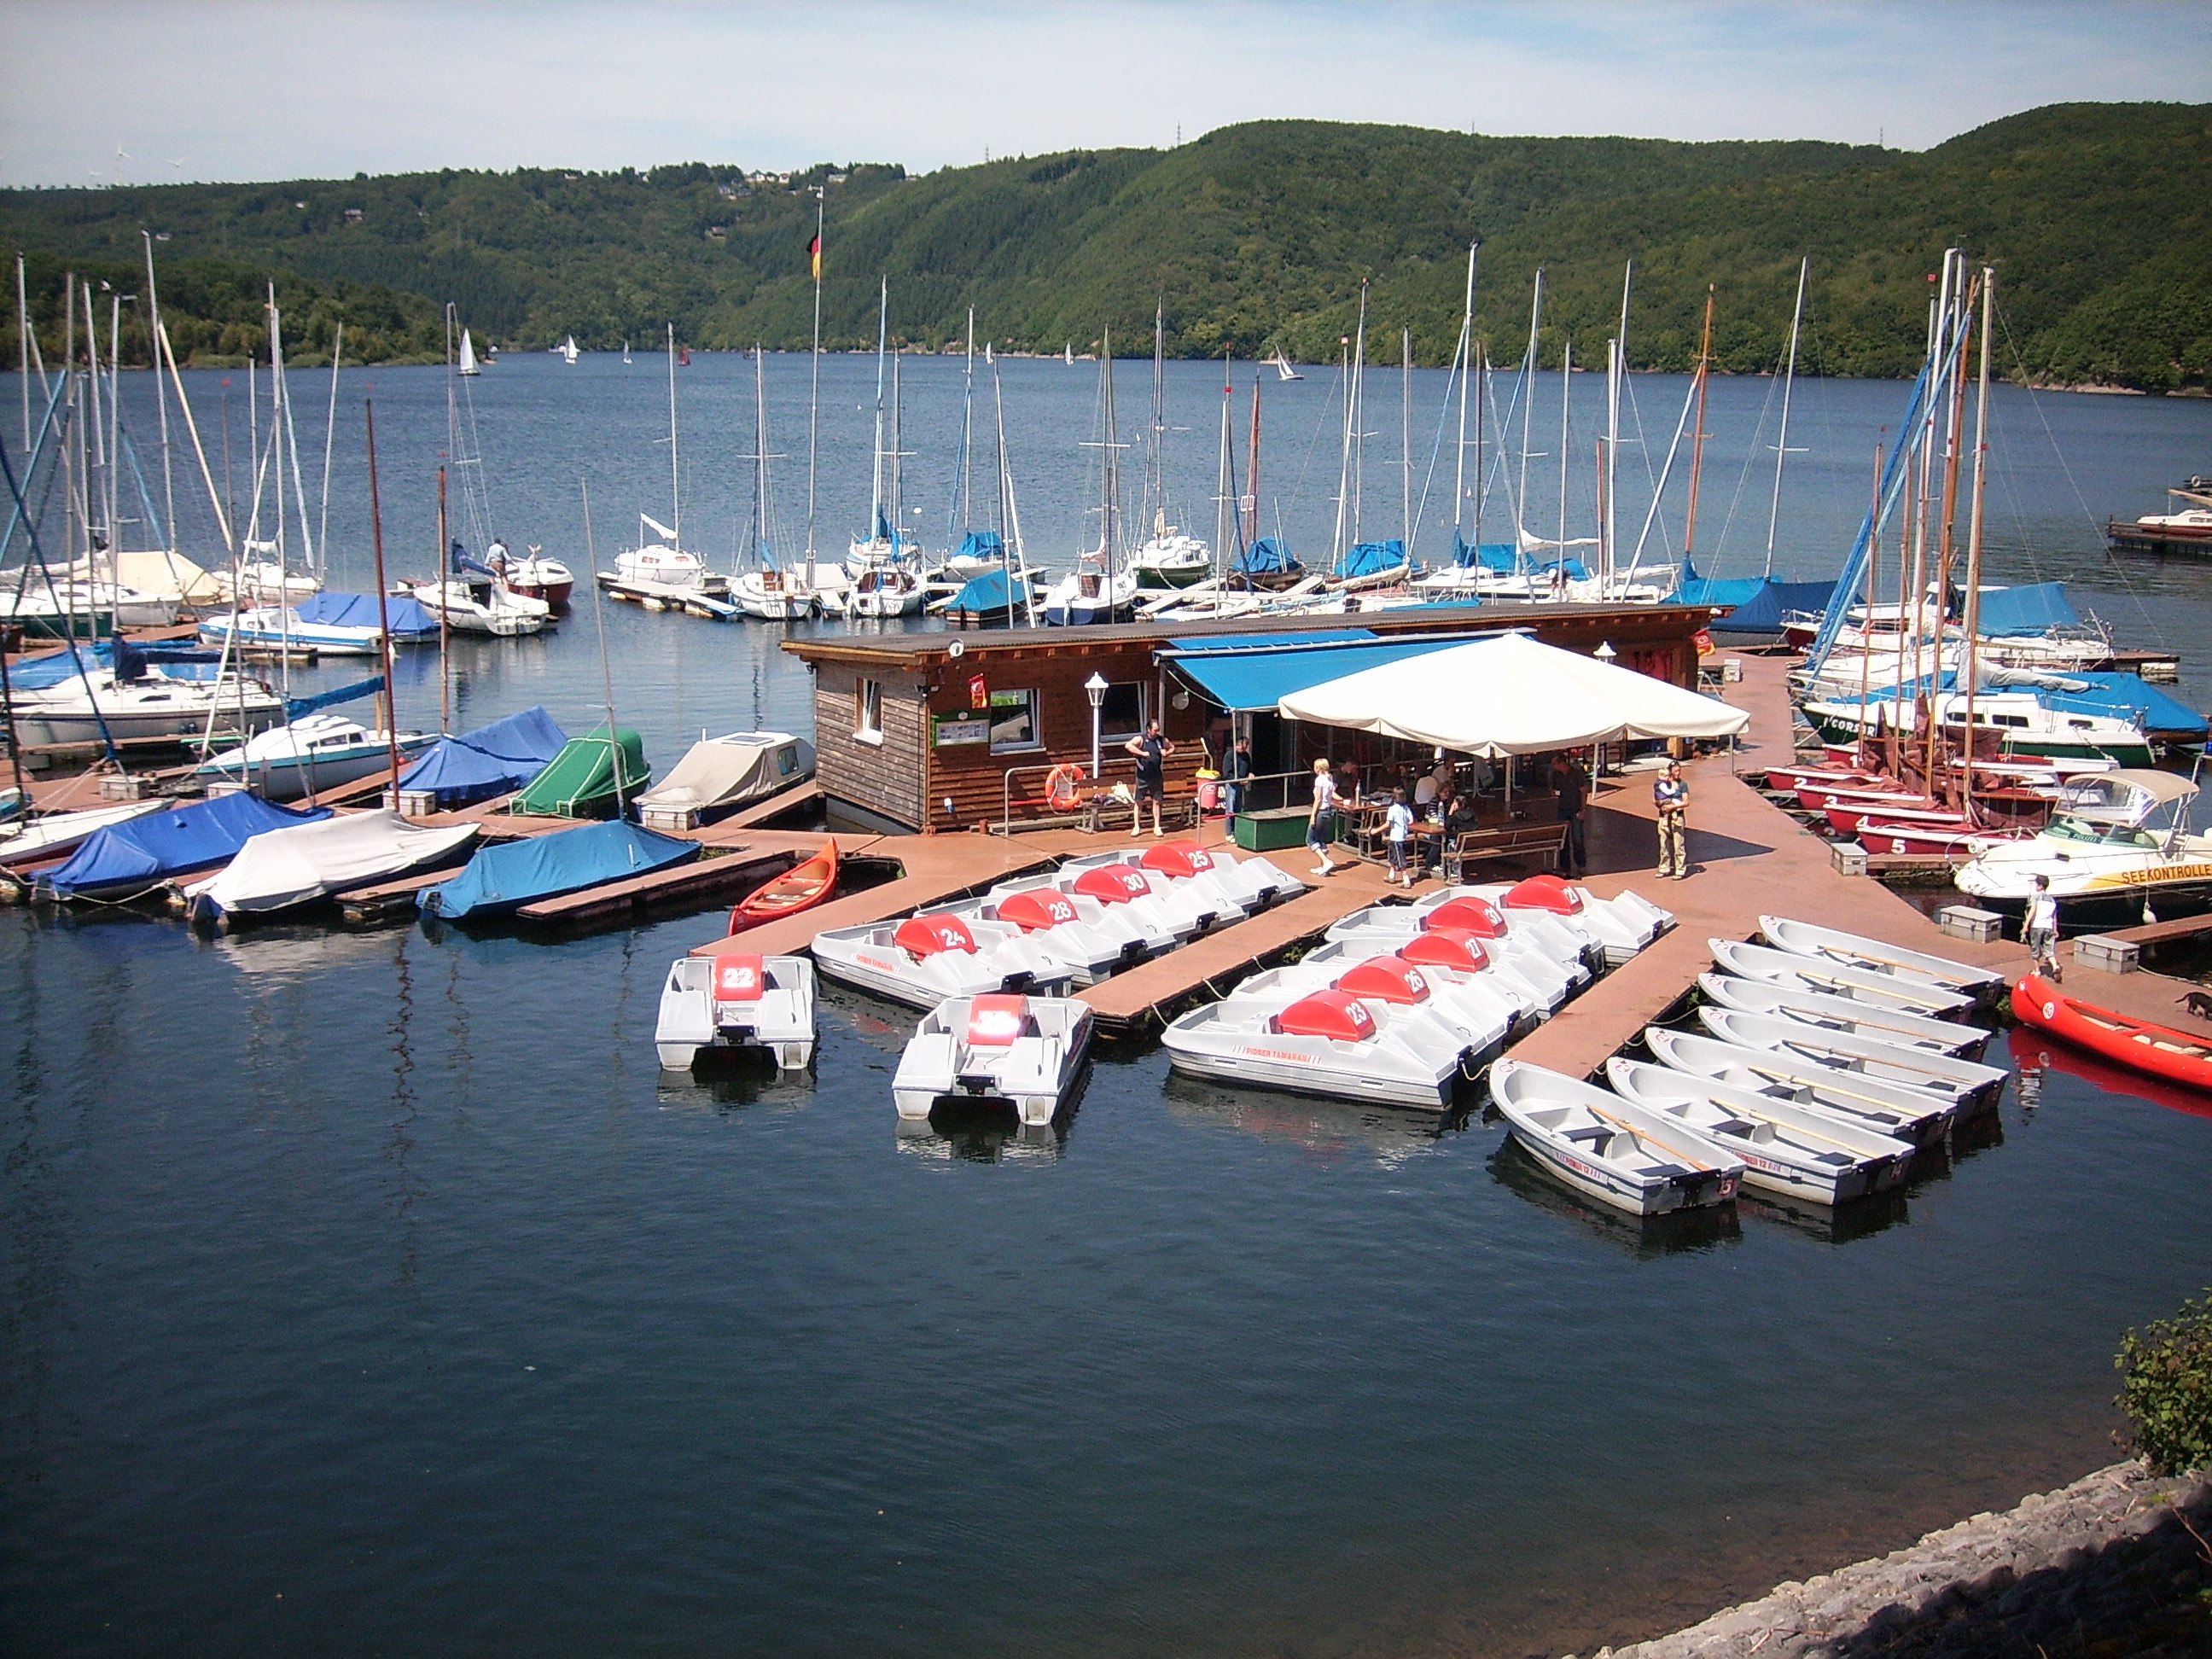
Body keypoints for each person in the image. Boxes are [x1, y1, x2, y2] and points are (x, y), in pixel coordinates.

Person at [1124, 719, 1175, 837]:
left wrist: (1167, 753)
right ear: (1148, 730)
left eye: (1158, 730)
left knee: (1157, 801)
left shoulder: (1161, 740)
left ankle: (1157, 826)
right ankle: (1137, 826)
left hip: (1156, 775)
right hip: (1143, 776)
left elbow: (1172, 747)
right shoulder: (1141, 739)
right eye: (1155, 730)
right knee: (1139, 801)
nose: (1157, 732)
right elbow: (1128, 745)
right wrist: (1142, 753)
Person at [1551, 753, 1588, 877]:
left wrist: (1583, 809)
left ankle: (1581, 864)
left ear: (1562, 763)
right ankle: (1565, 865)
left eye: (1555, 763)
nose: (1554, 766)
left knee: (1577, 838)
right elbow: (1552, 789)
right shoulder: (1556, 775)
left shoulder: (1576, 773)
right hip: (1563, 809)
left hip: (1576, 809)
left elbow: (1584, 791)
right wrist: (1555, 793)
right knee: (1563, 839)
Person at [1654, 759, 1689, 879]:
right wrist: (1661, 805)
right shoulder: (1662, 783)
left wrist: (1673, 806)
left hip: (1677, 816)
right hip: (1663, 817)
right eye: (1675, 771)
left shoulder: (1682, 784)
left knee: (1679, 844)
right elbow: (1655, 799)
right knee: (1664, 844)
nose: (1677, 773)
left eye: (1679, 771)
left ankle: (1680, 869)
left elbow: (1686, 802)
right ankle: (1664, 868)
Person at [2025, 874, 2062, 983]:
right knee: (2049, 950)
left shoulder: (2036, 896)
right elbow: (2054, 916)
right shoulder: (2052, 900)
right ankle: (2055, 966)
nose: (2035, 885)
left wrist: (2026, 925)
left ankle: (2037, 970)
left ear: (2040, 886)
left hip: (2037, 925)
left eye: (2036, 883)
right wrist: (2055, 929)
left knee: (2035, 948)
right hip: (2049, 926)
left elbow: (2033, 910)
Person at [1307, 758, 1339, 876]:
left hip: (1321, 811)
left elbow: (1318, 799)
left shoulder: (1320, 780)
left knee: (1310, 839)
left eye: (1315, 767)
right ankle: (1322, 866)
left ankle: (1326, 862)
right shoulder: (1329, 780)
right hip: (1329, 811)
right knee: (1320, 839)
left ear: (1319, 768)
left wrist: (1313, 815)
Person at [1384, 788, 1415, 887]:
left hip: (1395, 836)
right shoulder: (1406, 808)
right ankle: (1391, 876)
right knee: (1393, 856)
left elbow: (1388, 824)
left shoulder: (1392, 809)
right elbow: (1411, 821)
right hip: (1402, 835)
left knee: (1400, 858)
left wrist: (1376, 830)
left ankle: (1406, 880)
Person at [1225, 735, 1254, 821]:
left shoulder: (1246, 756)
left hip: (1241, 786)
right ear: (1237, 745)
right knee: (1230, 809)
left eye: (1245, 748)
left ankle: (1237, 829)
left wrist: (1250, 774)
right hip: (1231, 785)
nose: (1243, 750)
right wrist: (1239, 781)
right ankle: (1230, 832)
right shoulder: (1229, 756)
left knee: (1239, 808)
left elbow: (1249, 767)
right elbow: (1227, 774)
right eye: (1242, 747)